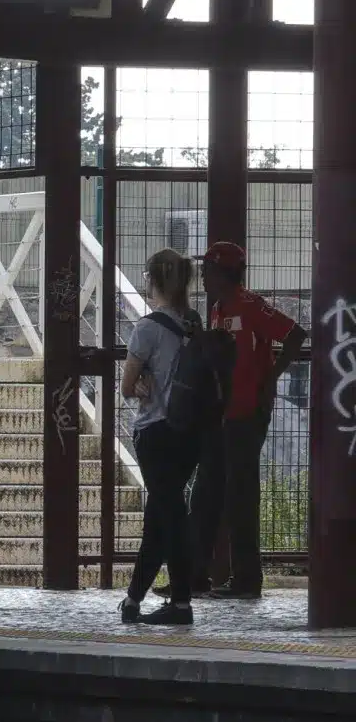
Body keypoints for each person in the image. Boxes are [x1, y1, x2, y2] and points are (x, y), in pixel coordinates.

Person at [183, 240, 305, 600]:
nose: (201, 276)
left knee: (240, 495)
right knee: (206, 494)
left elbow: (295, 335)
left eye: (206, 270)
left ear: (222, 272)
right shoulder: (218, 309)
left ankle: (247, 580)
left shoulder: (251, 306)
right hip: (221, 416)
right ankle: (194, 575)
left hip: (246, 415)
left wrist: (271, 377)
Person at [119, 249, 202, 626]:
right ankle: (133, 600)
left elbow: (126, 386)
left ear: (151, 280)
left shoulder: (147, 328)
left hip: (155, 432)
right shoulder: (194, 323)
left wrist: (142, 384)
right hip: (189, 434)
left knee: (170, 515)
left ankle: (181, 604)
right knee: (161, 514)